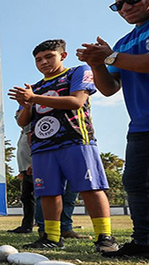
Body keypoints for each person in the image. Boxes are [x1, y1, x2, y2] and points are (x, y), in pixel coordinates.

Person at [76, 0, 149, 265]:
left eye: (132, 0)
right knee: (137, 182)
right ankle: (146, 242)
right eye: (117, 4)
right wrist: (97, 64)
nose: (125, 8)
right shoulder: (124, 42)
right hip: (145, 121)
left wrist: (110, 57)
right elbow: (109, 88)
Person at [8, 39, 118, 252]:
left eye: (49, 56)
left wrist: (35, 97)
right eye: (38, 59)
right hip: (42, 146)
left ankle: (104, 236)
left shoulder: (77, 72)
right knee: (48, 192)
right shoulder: (36, 87)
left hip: (76, 140)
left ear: (63, 56)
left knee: (91, 187)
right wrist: (28, 104)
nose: (43, 62)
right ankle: (51, 236)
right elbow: (23, 122)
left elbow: (76, 101)